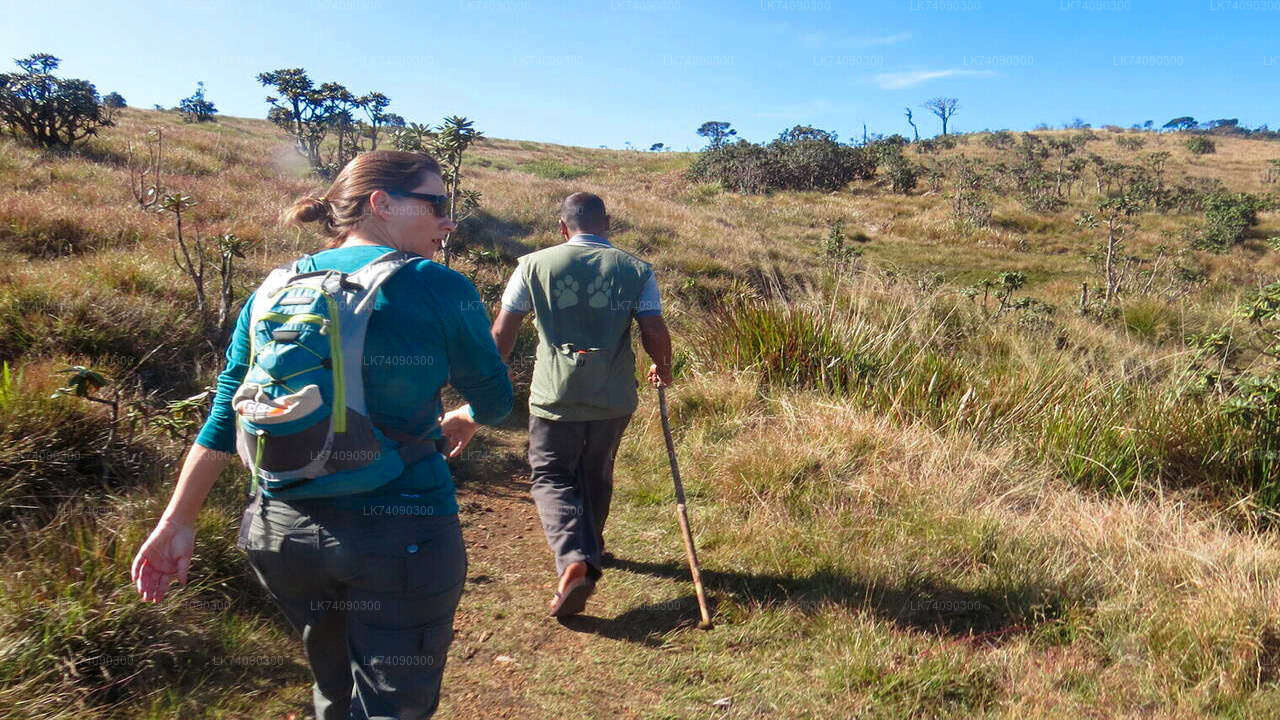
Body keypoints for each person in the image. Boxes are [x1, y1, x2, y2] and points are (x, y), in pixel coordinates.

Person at [130, 150, 513, 720]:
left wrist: (176, 522)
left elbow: (224, 412)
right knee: (393, 703)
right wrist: (465, 415)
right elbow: (497, 400)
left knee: (332, 686)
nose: (448, 221)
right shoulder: (435, 283)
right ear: (381, 203)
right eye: (436, 204)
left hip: (279, 530)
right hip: (401, 530)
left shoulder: (275, 287)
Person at [490, 191, 673, 618]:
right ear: (606, 224)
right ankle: (592, 549)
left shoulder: (532, 266)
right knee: (596, 470)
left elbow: (503, 329)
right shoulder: (636, 269)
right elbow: (653, 328)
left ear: (562, 228)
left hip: (555, 394)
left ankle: (575, 557)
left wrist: (494, 373)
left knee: (551, 475)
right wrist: (662, 367)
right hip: (612, 397)